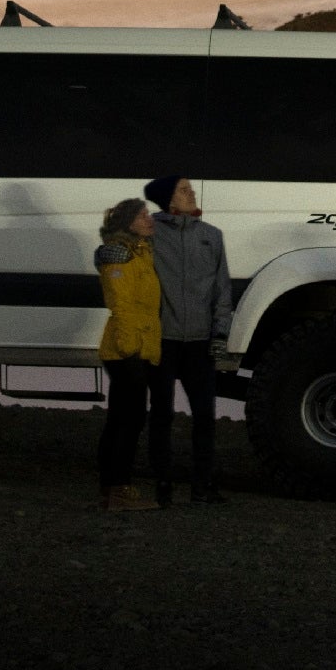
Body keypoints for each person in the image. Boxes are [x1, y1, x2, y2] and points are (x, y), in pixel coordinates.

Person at [141, 173, 234, 504]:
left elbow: (222, 288)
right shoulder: (149, 233)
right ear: (169, 200)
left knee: (205, 416)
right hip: (163, 339)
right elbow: (112, 250)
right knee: (162, 414)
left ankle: (203, 485)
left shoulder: (212, 236)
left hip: (199, 342)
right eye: (183, 190)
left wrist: (220, 333)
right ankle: (163, 484)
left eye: (190, 189)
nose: (192, 193)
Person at [93, 196, 171, 513]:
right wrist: (129, 347)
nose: (149, 219)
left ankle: (110, 489)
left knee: (120, 419)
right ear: (128, 223)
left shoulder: (140, 252)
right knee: (130, 420)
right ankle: (119, 492)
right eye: (142, 216)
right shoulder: (119, 254)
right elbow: (120, 303)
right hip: (128, 349)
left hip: (138, 346)